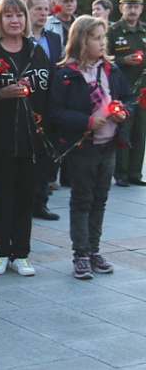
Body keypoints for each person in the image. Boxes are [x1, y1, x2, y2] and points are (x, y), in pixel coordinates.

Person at [50, 16, 134, 278]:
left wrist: (123, 112)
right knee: (82, 199)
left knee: (100, 198)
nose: (102, 42)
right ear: (81, 41)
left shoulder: (111, 70)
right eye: (96, 38)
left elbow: (128, 98)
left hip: (108, 144)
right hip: (83, 146)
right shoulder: (66, 74)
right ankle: (81, 253)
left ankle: (94, 249)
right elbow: (55, 111)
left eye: (103, 38)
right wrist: (86, 120)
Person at [0, 0, 53, 277]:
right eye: (8, 15)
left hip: (32, 138)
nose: (14, 20)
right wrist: (0, 94)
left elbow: (49, 90)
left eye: (19, 15)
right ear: (0, 19)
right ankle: (1, 252)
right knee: (1, 198)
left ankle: (21, 253)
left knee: (25, 198)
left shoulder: (36, 51)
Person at [27, 0, 63, 220]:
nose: (43, 14)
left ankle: (40, 202)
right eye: (38, 9)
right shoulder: (21, 39)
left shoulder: (54, 38)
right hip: (27, 103)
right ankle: (24, 201)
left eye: (45, 9)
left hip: (49, 104)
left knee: (45, 157)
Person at [109, 0, 146, 187]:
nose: (132, 9)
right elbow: (103, 56)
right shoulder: (113, 31)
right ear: (121, 8)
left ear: (141, 9)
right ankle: (121, 173)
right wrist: (123, 59)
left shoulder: (145, 30)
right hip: (123, 88)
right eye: (128, 5)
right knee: (124, 128)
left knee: (141, 131)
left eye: (136, 6)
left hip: (143, 90)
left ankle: (135, 173)